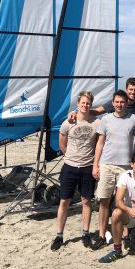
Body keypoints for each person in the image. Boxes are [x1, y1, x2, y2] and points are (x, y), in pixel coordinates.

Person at [92, 90, 135, 250]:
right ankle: (101, 235)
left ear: (126, 103)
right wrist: (96, 165)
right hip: (106, 165)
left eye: (122, 102)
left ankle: (125, 236)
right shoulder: (106, 119)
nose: (120, 104)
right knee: (104, 201)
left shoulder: (133, 118)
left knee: (124, 202)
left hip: (125, 166)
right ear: (113, 103)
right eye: (117, 102)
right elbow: (100, 143)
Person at [51, 91, 100, 251]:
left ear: (91, 105)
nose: (85, 105)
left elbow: (100, 144)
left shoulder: (96, 123)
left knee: (86, 201)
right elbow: (62, 145)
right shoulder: (68, 122)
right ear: (78, 104)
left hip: (87, 168)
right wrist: (72, 158)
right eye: (83, 103)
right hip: (70, 167)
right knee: (64, 201)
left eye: (88, 103)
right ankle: (59, 235)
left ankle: (85, 233)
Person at [67, 77, 135, 122]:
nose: (133, 92)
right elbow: (97, 111)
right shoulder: (116, 103)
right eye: (131, 89)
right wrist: (77, 112)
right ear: (126, 89)